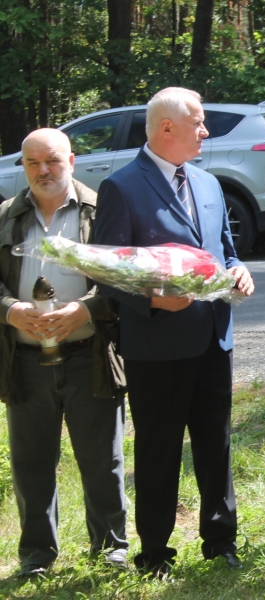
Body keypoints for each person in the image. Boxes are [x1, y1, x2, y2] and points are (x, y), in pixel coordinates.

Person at [94, 87, 255, 578]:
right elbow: (105, 271)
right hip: (157, 345)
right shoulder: (122, 187)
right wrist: (152, 300)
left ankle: (221, 542)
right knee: (159, 451)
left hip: (213, 339)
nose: (205, 131)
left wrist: (239, 270)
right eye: (198, 122)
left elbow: (225, 249)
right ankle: (155, 553)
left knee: (216, 444)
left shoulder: (208, 183)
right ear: (167, 127)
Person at [0, 129, 128, 579]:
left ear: (72, 160)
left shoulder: (102, 210)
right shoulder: (5, 216)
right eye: (32, 163)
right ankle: (36, 554)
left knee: (102, 459)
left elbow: (124, 277)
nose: (43, 171)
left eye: (52, 160)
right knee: (30, 462)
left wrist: (85, 309)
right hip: (25, 360)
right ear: (23, 166)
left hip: (90, 355)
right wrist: (10, 310)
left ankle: (110, 548)